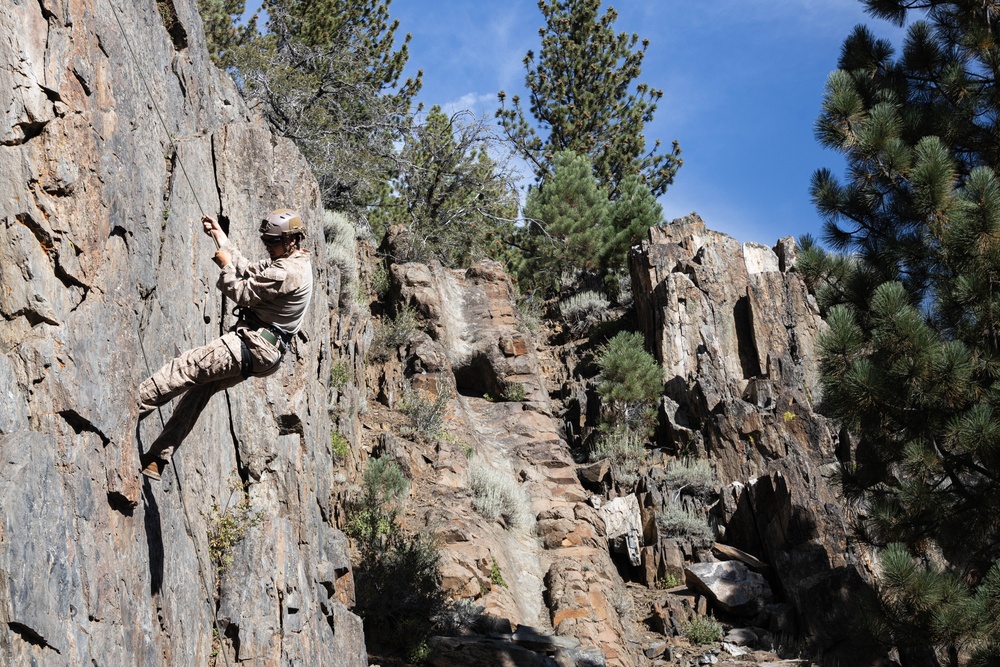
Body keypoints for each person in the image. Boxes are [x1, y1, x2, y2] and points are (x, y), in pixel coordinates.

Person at [137, 209, 313, 480]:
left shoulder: (289, 271)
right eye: (265, 240)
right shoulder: (285, 261)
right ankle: (157, 459)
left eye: (272, 242)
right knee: (199, 391)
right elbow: (247, 268)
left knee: (188, 366)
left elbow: (241, 292)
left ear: (291, 240)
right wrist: (219, 237)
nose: (267, 246)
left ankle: (132, 406)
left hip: (254, 344)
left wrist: (225, 266)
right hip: (262, 351)